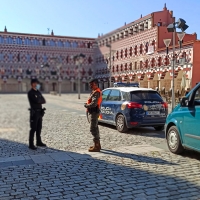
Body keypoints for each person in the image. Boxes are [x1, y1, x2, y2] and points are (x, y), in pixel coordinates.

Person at [28, 78, 46, 150]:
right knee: (33, 128)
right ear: (32, 84)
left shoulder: (38, 92)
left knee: (39, 128)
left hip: (40, 112)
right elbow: (36, 101)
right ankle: (31, 144)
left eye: (37, 83)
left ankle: (38, 142)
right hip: (34, 112)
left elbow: (43, 100)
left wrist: (39, 100)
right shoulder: (30, 93)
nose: (36, 84)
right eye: (34, 83)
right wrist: (39, 100)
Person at [84, 78, 102, 152]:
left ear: (95, 84)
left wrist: (86, 105)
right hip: (93, 112)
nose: (90, 86)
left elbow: (94, 104)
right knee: (95, 127)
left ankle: (97, 146)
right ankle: (97, 144)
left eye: (92, 84)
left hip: (94, 112)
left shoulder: (96, 93)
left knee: (93, 129)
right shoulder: (94, 92)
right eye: (90, 85)